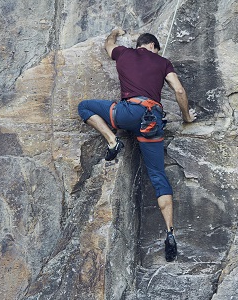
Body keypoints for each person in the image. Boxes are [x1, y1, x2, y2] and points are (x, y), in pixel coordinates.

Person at [77, 28, 195, 262]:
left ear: (141, 45)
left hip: (126, 114)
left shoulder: (124, 53)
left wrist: (114, 32)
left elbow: (108, 45)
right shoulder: (163, 62)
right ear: (153, 46)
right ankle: (170, 232)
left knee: (84, 106)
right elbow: (179, 89)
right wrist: (186, 117)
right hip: (150, 121)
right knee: (158, 176)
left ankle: (112, 141)